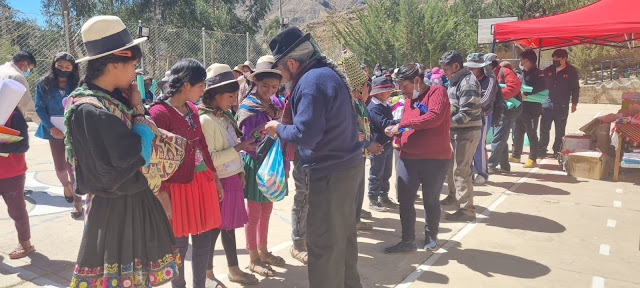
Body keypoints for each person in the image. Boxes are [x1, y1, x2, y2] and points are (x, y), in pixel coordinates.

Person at [66, 15, 180, 287]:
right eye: (133, 65)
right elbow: (139, 153)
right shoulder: (92, 110)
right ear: (115, 63)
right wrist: (139, 111)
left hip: (125, 200)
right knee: (121, 276)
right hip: (117, 207)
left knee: (130, 277)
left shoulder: (102, 99)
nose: (135, 72)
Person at [264, 26, 363, 288]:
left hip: (330, 172)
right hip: (346, 167)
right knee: (343, 237)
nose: (281, 74)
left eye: (281, 68)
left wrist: (278, 128)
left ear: (292, 63)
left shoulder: (310, 83)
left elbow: (307, 135)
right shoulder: (325, 75)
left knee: (322, 244)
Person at [149, 58, 223, 288]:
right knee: (179, 245)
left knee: (203, 240)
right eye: (201, 85)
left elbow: (201, 145)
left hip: (201, 183)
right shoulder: (159, 113)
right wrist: (162, 194)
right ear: (185, 85)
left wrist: (215, 178)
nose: (203, 90)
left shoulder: (192, 109)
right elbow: (153, 159)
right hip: (176, 188)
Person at [198, 63, 259, 287]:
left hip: (231, 180)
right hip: (219, 183)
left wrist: (240, 171)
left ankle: (233, 270)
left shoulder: (223, 116)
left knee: (229, 228)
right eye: (231, 96)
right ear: (216, 95)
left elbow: (234, 143)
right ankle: (207, 273)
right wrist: (239, 150)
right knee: (214, 230)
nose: (235, 100)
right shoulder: (207, 120)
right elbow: (211, 159)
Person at [384, 63, 451, 253]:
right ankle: (407, 240)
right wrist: (395, 131)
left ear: (416, 81)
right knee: (404, 199)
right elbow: (409, 125)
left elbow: (434, 117)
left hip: (435, 159)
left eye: (404, 86)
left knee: (431, 200)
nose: (402, 91)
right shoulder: (408, 101)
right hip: (408, 157)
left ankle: (431, 236)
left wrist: (404, 123)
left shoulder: (437, 92)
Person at [237, 55, 288, 277]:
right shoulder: (249, 107)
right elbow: (248, 141)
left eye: (275, 86)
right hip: (257, 163)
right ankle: (253, 257)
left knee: (267, 209)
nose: (269, 90)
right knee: (254, 213)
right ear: (256, 82)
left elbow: (283, 134)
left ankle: (264, 250)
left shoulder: (277, 104)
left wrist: (284, 164)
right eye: (265, 85)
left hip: (274, 163)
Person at [34, 52, 83, 218]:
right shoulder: (44, 83)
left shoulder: (77, 84)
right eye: (60, 65)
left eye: (67, 67)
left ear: (73, 68)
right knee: (61, 169)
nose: (63, 69)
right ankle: (66, 185)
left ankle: (77, 202)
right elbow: (39, 107)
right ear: (54, 65)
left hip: (73, 130)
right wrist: (50, 127)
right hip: (53, 129)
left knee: (73, 168)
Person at [341, 49, 383, 231]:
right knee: (351, 191)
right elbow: (354, 132)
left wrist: (371, 142)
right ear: (359, 88)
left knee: (359, 188)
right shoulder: (350, 104)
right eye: (367, 87)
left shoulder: (359, 104)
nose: (369, 92)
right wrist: (368, 143)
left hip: (360, 153)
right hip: (351, 153)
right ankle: (351, 222)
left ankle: (355, 219)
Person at [438, 50, 482, 223]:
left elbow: (467, 113)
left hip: (466, 133)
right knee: (450, 166)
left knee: (461, 170)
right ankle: (453, 195)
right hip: (455, 132)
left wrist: (444, 124)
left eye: (446, 69)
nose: (443, 72)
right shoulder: (455, 80)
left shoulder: (468, 83)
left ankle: (467, 210)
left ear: (456, 66)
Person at [1, 106, 34, 259]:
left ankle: (25, 243)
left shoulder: (14, 116)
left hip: (11, 173)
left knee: (16, 210)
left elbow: (23, 145)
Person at [463, 53, 499, 184]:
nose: (470, 70)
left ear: (481, 67)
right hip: (467, 117)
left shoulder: (489, 80)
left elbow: (484, 100)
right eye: (469, 68)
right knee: (466, 145)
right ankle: (469, 172)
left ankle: (482, 172)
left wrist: (466, 104)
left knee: (479, 145)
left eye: (473, 68)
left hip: (483, 116)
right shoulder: (465, 80)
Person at [538, 49, 580, 159]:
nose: (554, 60)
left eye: (557, 58)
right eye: (553, 58)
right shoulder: (549, 70)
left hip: (561, 106)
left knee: (560, 130)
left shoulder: (571, 71)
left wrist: (574, 103)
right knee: (544, 129)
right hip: (546, 105)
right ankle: (542, 148)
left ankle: (557, 150)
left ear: (564, 59)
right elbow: (541, 84)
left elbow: (575, 88)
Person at [367, 76, 400, 212]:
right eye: (388, 91)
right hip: (378, 146)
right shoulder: (374, 108)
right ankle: (373, 199)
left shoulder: (384, 105)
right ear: (379, 93)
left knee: (386, 172)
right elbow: (384, 123)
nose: (390, 93)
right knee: (376, 173)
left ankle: (384, 196)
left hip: (387, 144)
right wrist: (402, 121)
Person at [486, 53, 522, 174]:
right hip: (500, 109)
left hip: (508, 110)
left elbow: (514, 87)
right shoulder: (492, 74)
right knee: (501, 138)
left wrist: (497, 95)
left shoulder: (504, 71)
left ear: (490, 65)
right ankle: (505, 166)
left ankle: (491, 165)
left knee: (497, 138)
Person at [511, 49, 547, 168]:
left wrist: (527, 94)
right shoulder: (522, 74)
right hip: (520, 109)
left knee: (531, 134)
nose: (520, 62)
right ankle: (516, 155)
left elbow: (542, 88)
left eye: (521, 60)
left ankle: (532, 158)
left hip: (532, 110)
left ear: (526, 60)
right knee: (517, 132)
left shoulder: (539, 74)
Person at [0, 50, 39, 123]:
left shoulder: (1, 69)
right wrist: (44, 125)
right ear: (25, 63)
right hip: (8, 120)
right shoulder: (17, 77)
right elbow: (27, 106)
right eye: (29, 68)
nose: (28, 71)